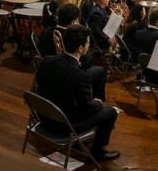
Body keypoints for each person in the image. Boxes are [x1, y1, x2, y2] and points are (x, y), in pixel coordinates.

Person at [35, 25, 120, 162]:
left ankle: (85, 140)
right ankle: (97, 153)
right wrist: (97, 103)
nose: (89, 45)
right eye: (87, 43)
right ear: (80, 48)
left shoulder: (46, 60)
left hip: (43, 118)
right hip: (63, 126)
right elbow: (87, 110)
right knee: (110, 113)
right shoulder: (81, 75)